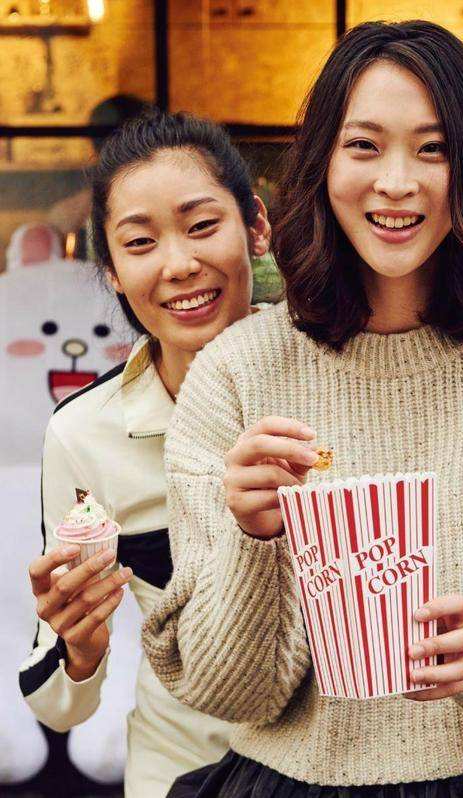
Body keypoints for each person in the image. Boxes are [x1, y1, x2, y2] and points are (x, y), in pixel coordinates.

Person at [142, 21, 463, 798]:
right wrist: (252, 541)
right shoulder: (236, 374)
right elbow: (225, 691)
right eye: (364, 146)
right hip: (293, 782)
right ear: (322, 161)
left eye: (433, 149)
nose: (397, 183)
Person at [19, 110, 271, 797]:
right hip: (181, 773)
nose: (179, 264)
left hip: (341, 770)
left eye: (202, 225)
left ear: (256, 226)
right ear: (111, 270)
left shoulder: (339, 378)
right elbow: (59, 705)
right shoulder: (83, 433)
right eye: (139, 242)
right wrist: (80, 645)